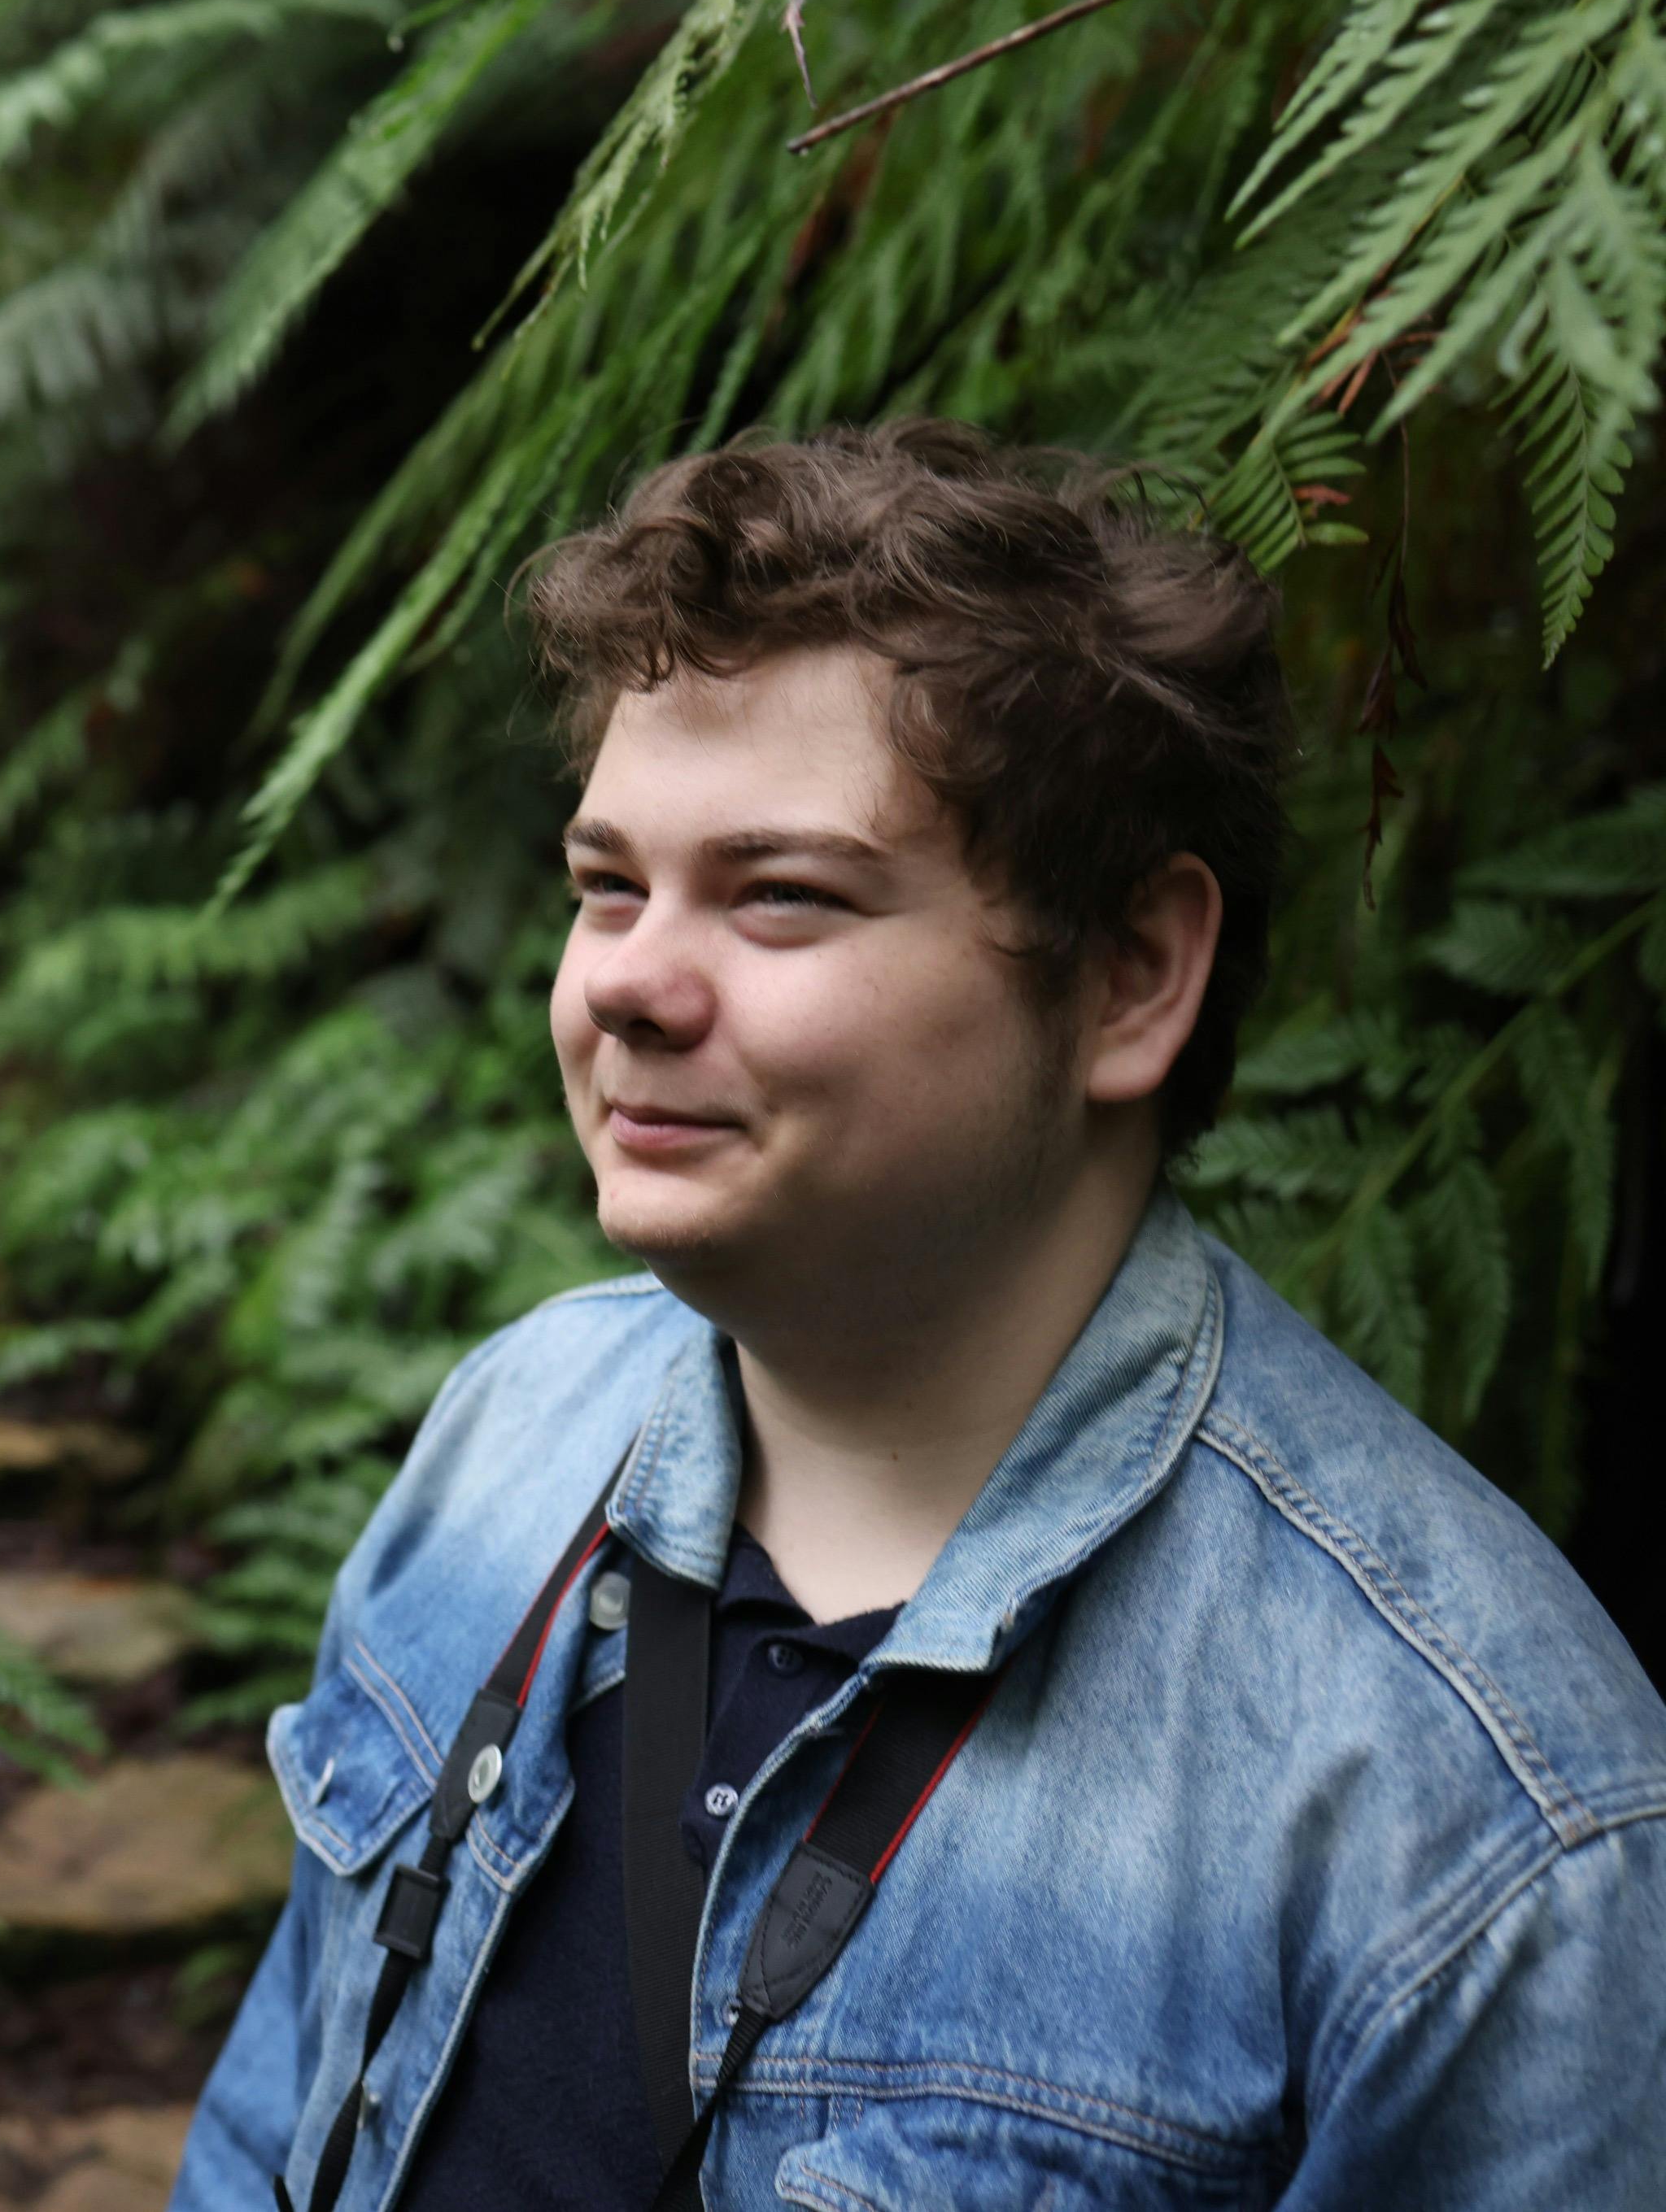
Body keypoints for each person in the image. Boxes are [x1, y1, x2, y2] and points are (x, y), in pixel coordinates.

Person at [169, 422, 1666, 2212]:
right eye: (604, 883)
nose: (628, 982)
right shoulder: (515, 1426)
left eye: (779, 895)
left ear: (1129, 976)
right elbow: (273, 2132)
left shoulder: (1465, 1819)